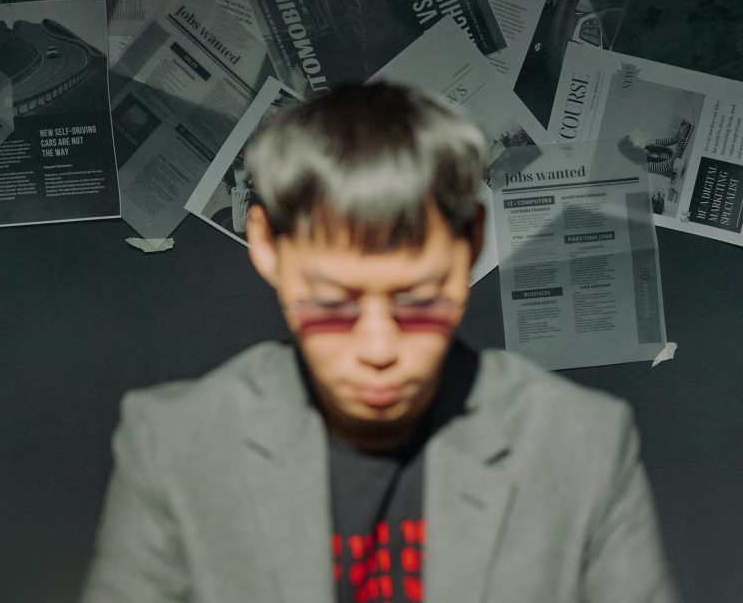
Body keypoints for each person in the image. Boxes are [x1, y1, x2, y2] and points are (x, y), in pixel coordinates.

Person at [77, 83, 679, 603]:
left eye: (418, 301)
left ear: (470, 242)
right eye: (333, 303)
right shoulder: (173, 446)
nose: (378, 347)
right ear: (266, 247)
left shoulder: (583, 449)